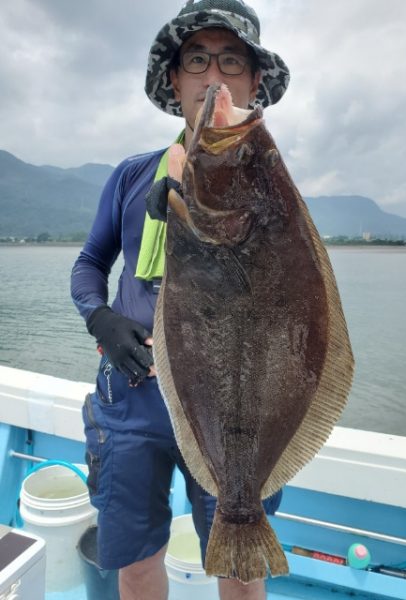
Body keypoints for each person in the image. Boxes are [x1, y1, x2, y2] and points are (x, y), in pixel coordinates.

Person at [71, 1, 290, 599]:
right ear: (174, 77)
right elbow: (90, 263)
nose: (214, 76)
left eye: (231, 61)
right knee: (137, 564)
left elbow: (289, 302)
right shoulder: (130, 176)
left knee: (241, 567)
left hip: (234, 411)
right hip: (132, 399)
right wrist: (101, 317)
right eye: (197, 59)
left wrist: (209, 196)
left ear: (253, 81)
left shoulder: (272, 187)